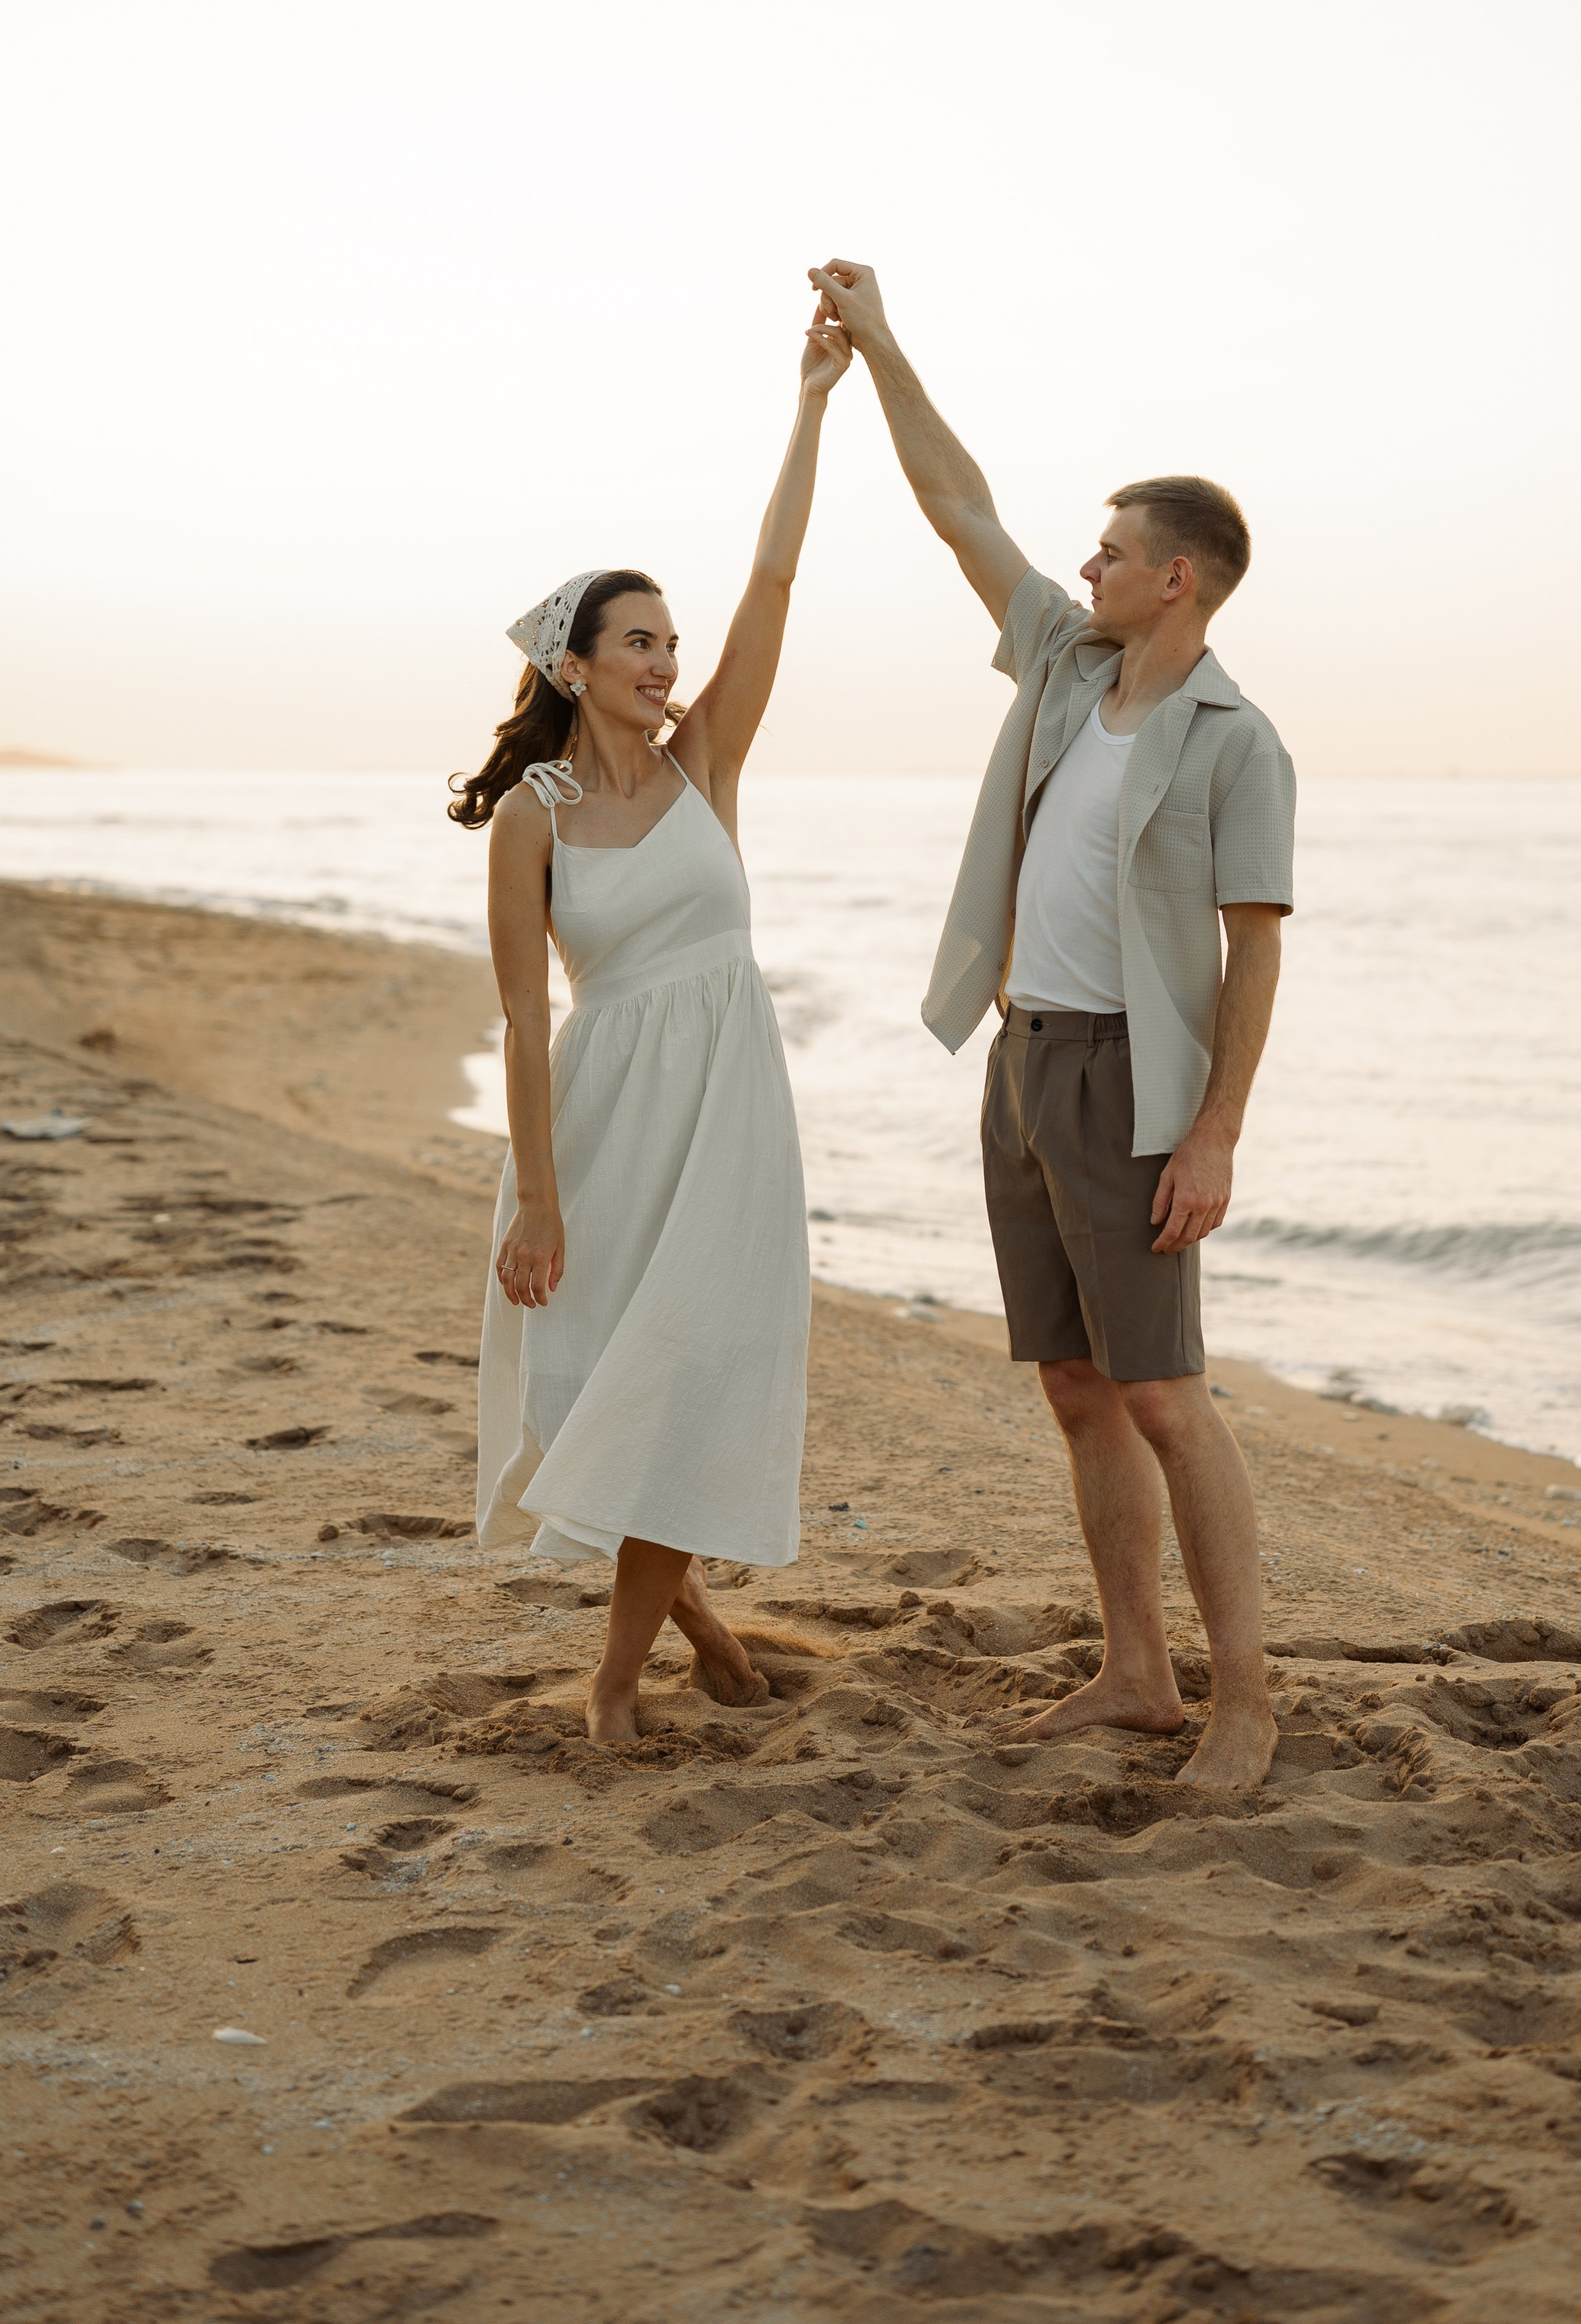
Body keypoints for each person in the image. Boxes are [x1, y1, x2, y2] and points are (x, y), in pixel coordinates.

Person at [808, 259, 1294, 1791]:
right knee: (1075, 1386)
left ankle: (1244, 1695)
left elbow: (1252, 946)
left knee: (1162, 1392)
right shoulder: (1063, 670)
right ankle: (1136, 1673)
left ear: (1179, 580)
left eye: (1112, 553)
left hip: (1132, 1081)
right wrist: (881, 345)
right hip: (1024, 1057)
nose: (1084, 566)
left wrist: (1212, 1130)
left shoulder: (1236, 743)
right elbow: (961, 509)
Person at [447, 304, 852, 1743]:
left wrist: (809, 407)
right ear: (574, 665)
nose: (667, 663)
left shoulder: (707, 768)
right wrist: (537, 1201)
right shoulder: (529, 819)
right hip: (606, 1116)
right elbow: (517, 1017)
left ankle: (617, 1679)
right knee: (606, 1377)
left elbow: (777, 578)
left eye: (672, 643)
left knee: (696, 1371)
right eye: (638, 643)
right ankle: (695, 1626)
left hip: (732, 1114)